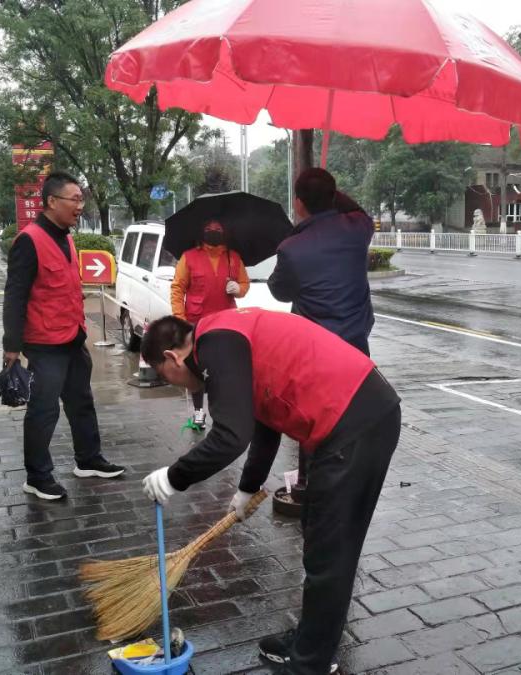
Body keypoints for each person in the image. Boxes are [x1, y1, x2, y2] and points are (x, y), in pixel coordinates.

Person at [140, 308, 401, 675]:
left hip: (357, 422)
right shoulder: (222, 335)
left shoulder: (215, 343)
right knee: (318, 538)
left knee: (331, 555)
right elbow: (264, 420)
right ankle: (311, 641)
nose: (174, 384)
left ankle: (311, 664)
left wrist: (174, 477)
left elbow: (231, 436)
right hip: (346, 421)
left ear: (172, 356)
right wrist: (248, 487)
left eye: (164, 375)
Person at [2, 171, 125, 500]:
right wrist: (11, 347)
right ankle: (37, 476)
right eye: (75, 199)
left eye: (81, 199)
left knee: (81, 402)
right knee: (44, 410)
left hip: (72, 337)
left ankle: (88, 460)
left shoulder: (67, 237)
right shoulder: (29, 240)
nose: (79, 206)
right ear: (52, 201)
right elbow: (14, 296)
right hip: (44, 344)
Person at [268, 168, 375, 355]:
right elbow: (357, 209)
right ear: (334, 197)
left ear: (299, 204)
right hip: (357, 346)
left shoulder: (291, 249)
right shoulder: (358, 228)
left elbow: (280, 292)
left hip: (315, 351)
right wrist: (330, 194)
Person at [170, 219, 250, 429]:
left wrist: (238, 289)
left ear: (225, 233)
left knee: (224, 370)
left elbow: (244, 284)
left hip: (227, 323)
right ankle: (198, 412)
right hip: (196, 322)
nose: (213, 233)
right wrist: (180, 318)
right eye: (209, 230)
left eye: (218, 230)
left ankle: (222, 413)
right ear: (201, 232)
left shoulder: (234, 257)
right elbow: (177, 288)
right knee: (196, 369)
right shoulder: (189, 257)